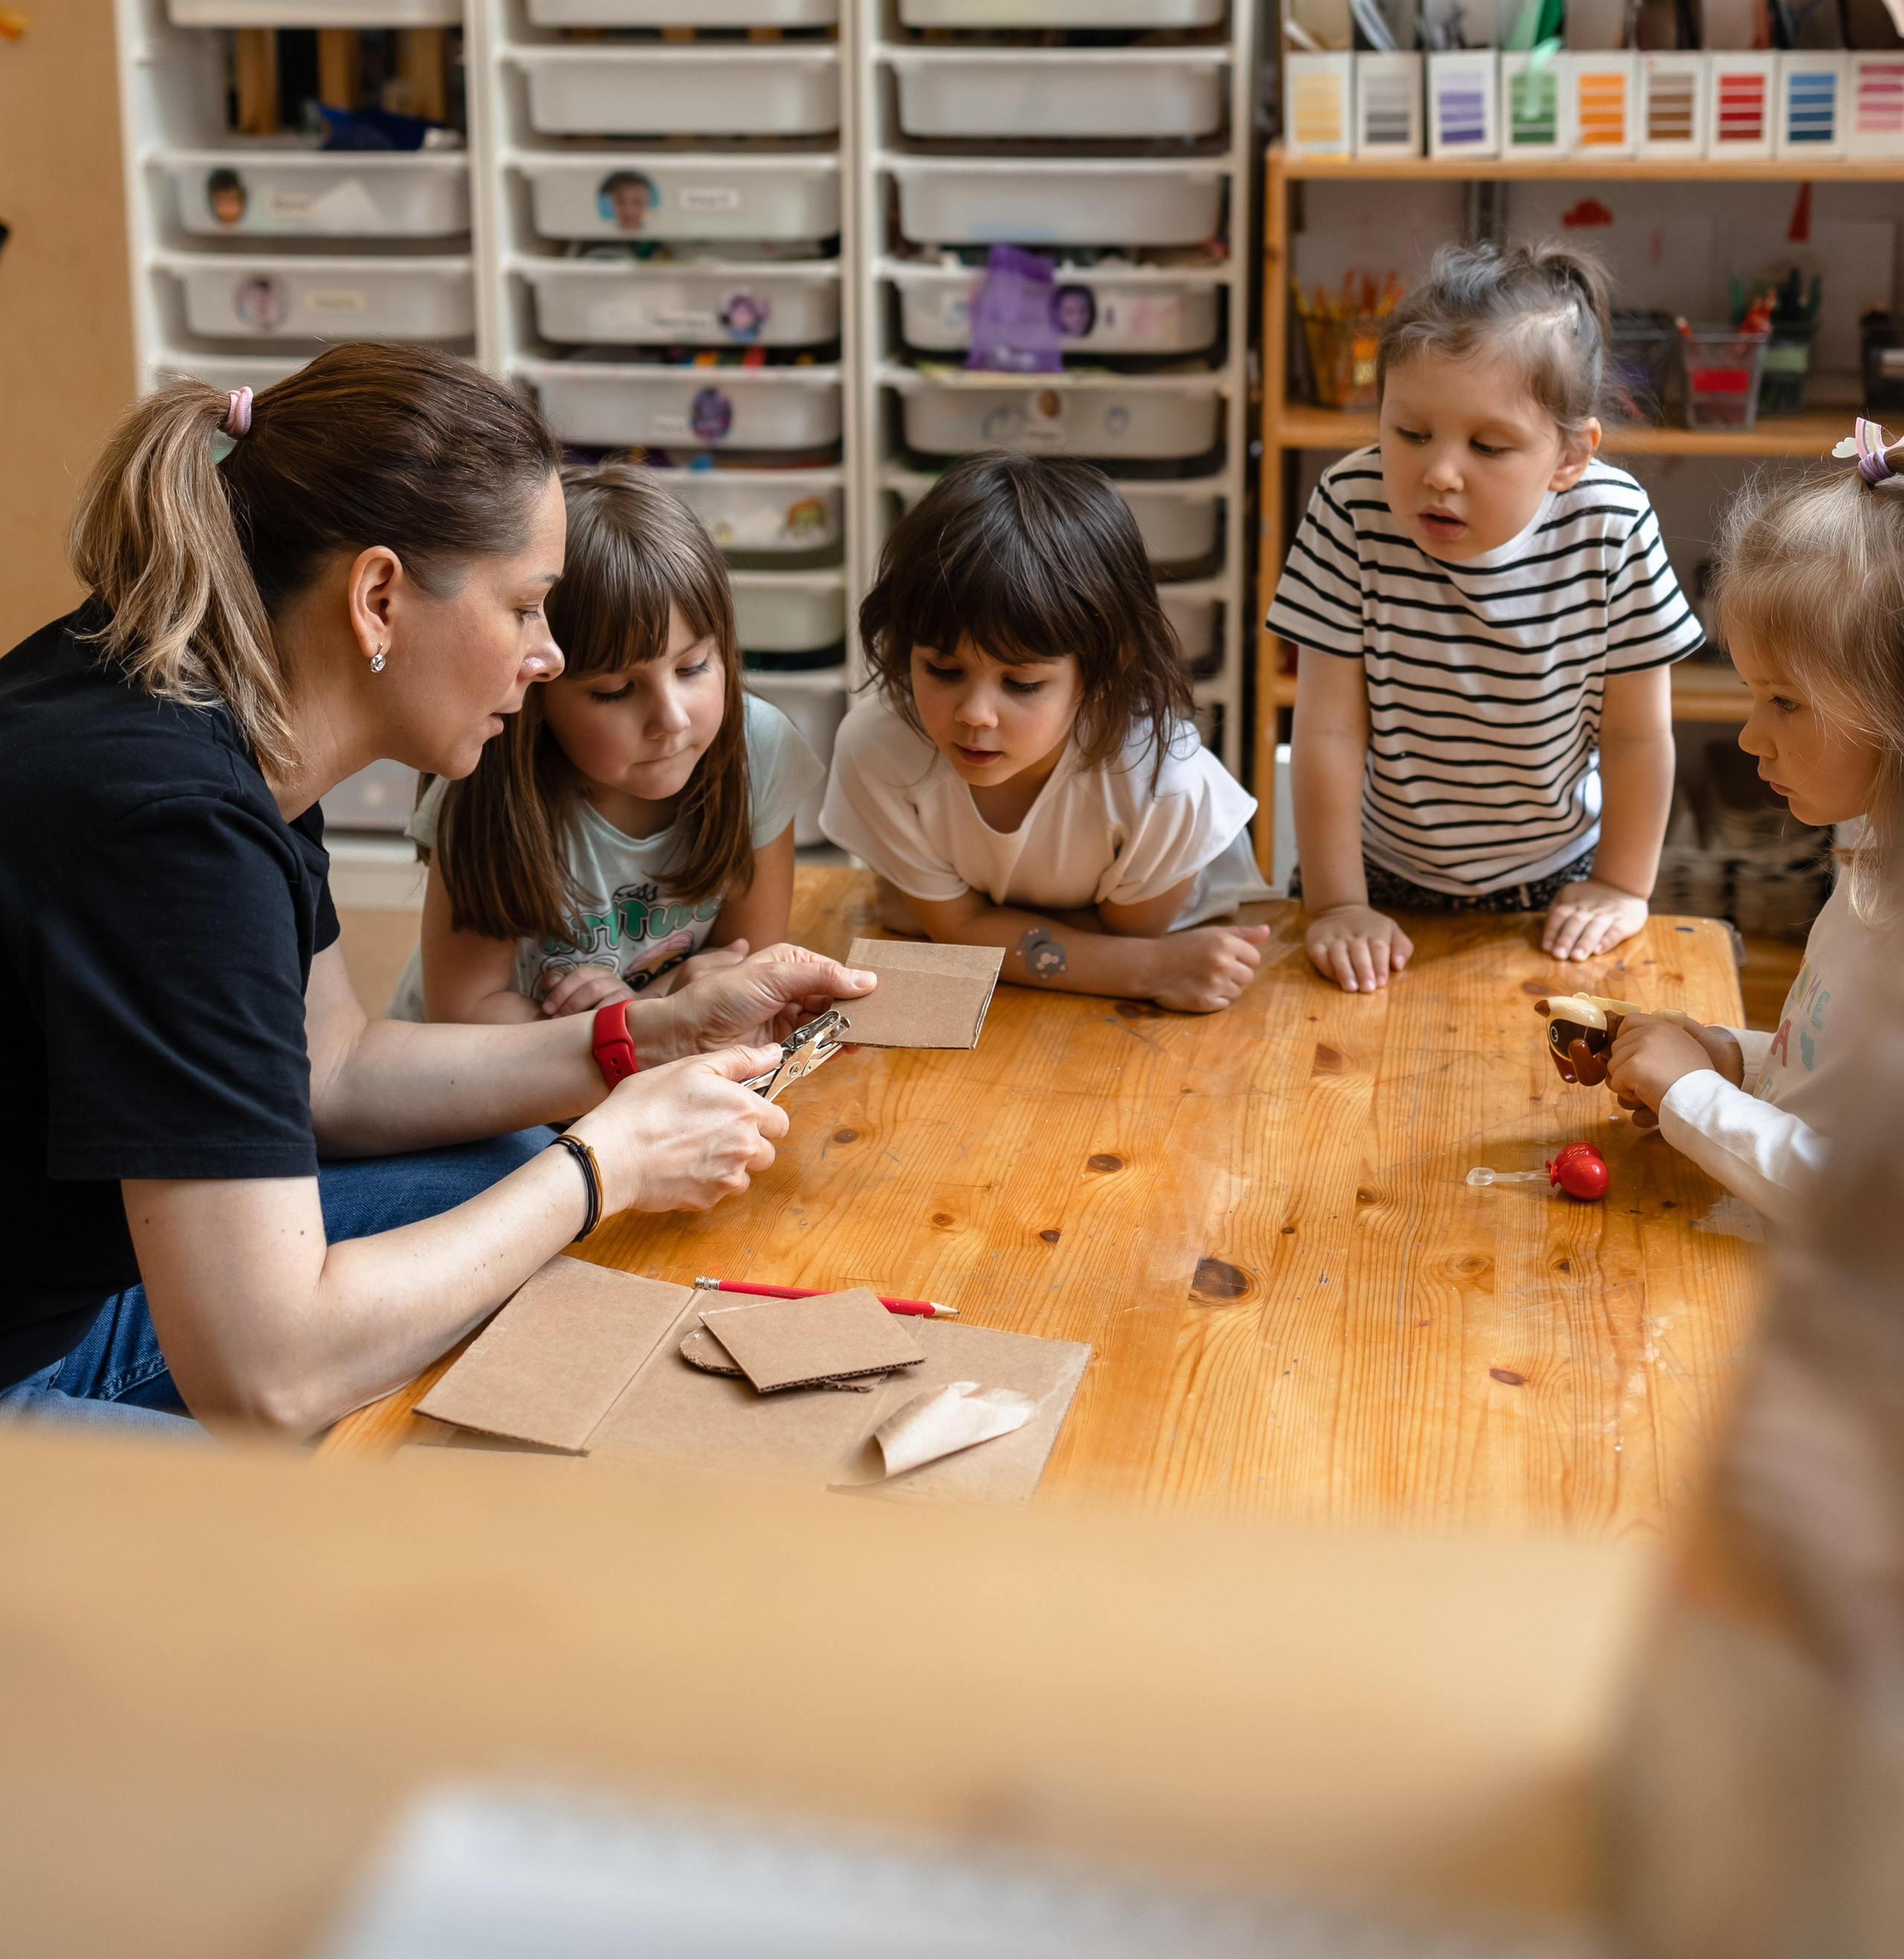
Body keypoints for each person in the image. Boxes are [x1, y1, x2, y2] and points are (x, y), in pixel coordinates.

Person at [0, 347, 871, 1435]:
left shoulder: (202, 702)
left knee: (505, 1171)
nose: (548, 657)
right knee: (364, 1555)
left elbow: (336, 1073)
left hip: (66, 1300)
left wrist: (645, 1035)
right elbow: (271, 1377)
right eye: (527, 608)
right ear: (377, 598)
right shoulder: (171, 832)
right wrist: (611, 1162)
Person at [1268, 241, 1703, 994]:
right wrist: (1337, 904)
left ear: (1570, 455)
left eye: (1488, 445)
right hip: (1374, 873)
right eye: (1409, 433)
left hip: (1554, 880)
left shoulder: (1613, 524)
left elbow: (1635, 736)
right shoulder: (1351, 504)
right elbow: (1328, 732)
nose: (1438, 472)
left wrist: (1622, 887)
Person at [1567, 425, 1904, 1232]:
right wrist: (1726, 1062)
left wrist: (1697, 1100)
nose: (1750, 737)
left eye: (1783, 701)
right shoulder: (1872, 869)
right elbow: (1827, 1089)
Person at [820, 457, 1270, 1014]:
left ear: (1104, 671)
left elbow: (1124, 939)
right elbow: (974, 932)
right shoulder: (878, 750)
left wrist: (964, 923)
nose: (976, 714)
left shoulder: (1162, 783)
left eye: (1023, 683)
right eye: (942, 669)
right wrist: (1151, 969)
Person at [392, 463, 819, 1024]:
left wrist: (646, 1009)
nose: (670, 718)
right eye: (616, 691)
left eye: (693, 668)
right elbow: (465, 1014)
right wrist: (632, 1021)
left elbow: (746, 963)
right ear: (539, 691)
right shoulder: (484, 780)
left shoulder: (759, 751)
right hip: (478, 1083)